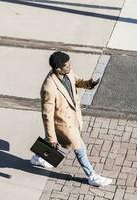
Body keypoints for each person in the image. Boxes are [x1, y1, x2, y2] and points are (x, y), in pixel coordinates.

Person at [30, 51, 112, 187]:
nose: (70, 67)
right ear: (58, 69)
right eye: (67, 66)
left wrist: (88, 84)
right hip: (63, 123)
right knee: (80, 148)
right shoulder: (49, 88)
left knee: (53, 143)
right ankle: (92, 176)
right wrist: (51, 138)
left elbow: (76, 80)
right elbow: (47, 115)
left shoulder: (67, 71)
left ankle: (37, 158)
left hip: (73, 116)